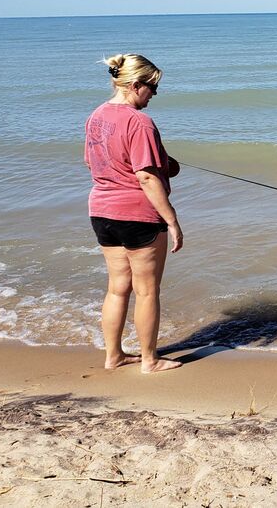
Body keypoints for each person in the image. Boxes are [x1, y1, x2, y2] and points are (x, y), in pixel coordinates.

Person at [84, 53, 183, 373]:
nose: (154, 93)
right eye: (152, 87)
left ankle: (114, 356)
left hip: (101, 210)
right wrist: (171, 220)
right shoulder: (140, 122)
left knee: (117, 287)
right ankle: (150, 360)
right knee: (147, 290)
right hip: (137, 214)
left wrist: (163, 164)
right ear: (135, 85)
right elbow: (145, 176)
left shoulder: (96, 116)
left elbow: (92, 161)